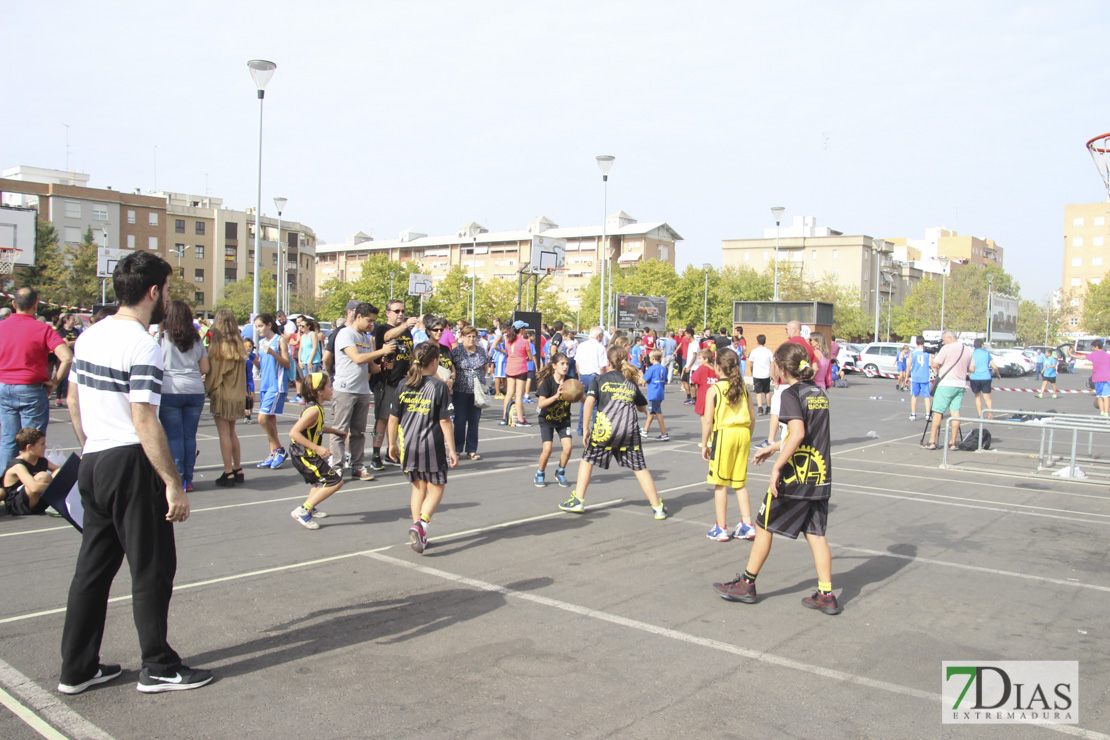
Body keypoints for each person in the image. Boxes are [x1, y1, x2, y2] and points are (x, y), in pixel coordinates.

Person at [59, 250, 212, 695]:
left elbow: (73, 400)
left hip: (95, 459)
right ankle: (159, 665)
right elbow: (144, 417)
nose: (168, 297)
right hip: (129, 460)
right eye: (167, 289)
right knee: (152, 567)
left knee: (92, 569)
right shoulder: (143, 344)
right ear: (153, 291)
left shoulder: (90, 335)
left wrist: (89, 446)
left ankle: (77, 668)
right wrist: (171, 482)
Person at [712, 341, 841, 615]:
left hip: (796, 475)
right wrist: (773, 447)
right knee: (816, 534)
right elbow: (806, 435)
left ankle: (747, 584)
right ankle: (826, 594)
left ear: (781, 368)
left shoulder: (791, 394)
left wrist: (777, 466)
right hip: (819, 475)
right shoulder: (818, 392)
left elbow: (796, 434)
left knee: (763, 526)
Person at [558, 345, 667, 519]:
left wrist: (585, 428)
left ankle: (578, 499)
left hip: (605, 430)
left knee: (587, 460)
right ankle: (658, 507)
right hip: (628, 431)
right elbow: (641, 407)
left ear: (607, 361)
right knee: (640, 468)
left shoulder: (599, 380)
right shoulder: (630, 382)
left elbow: (588, 403)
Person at [387, 342, 457, 554]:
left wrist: (391, 443)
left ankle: (418, 533)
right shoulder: (438, 387)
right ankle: (421, 524)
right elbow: (445, 422)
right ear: (434, 362)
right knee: (436, 487)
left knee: (418, 487)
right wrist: (452, 450)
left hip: (408, 445)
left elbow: (392, 418)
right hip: (430, 446)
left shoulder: (403, 384)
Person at [0, 287, 73, 471]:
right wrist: (55, 382)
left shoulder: (2, 326)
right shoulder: (43, 329)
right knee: (32, 441)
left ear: (13, 304)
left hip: (4, 385)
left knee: (9, 439)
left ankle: (5, 485)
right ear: (35, 305)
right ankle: (30, 485)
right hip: (31, 389)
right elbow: (66, 357)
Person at [701, 348, 755, 541]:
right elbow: (752, 416)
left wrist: (704, 443)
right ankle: (747, 524)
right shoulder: (743, 389)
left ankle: (721, 527)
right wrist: (748, 435)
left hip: (724, 434)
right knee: (739, 481)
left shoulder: (714, 390)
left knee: (720, 482)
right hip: (743, 433)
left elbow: (708, 421)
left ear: (717, 367)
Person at [333, 303, 390, 481]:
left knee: (358, 432)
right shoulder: (345, 334)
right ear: (358, 317)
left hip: (362, 390)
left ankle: (357, 466)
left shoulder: (366, 338)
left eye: (373, 321)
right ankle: (336, 467)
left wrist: (384, 366)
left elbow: (370, 366)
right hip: (345, 389)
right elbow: (357, 358)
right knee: (340, 431)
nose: (371, 324)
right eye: (369, 320)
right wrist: (381, 351)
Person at [157, 301, 209, 493]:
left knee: (174, 437)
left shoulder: (162, 338)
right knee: (189, 437)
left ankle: (177, 478)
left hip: (170, 389)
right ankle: (189, 478)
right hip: (194, 389)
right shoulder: (196, 339)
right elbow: (205, 368)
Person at [289, 372, 347, 529]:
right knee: (336, 481)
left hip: (306, 453)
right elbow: (294, 432)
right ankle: (303, 510)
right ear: (319, 391)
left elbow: (317, 427)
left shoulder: (317, 408)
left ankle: (310, 508)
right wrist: (317, 448)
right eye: (329, 386)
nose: (332, 389)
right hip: (304, 455)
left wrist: (335, 431)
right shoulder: (313, 411)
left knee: (318, 481)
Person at [371, 299, 416, 470]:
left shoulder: (407, 333)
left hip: (402, 381)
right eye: (397, 311)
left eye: (403, 311)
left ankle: (392, 452)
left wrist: (412, 371)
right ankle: (376, 453)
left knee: (397, 419)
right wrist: (405, 325)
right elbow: (387, 337)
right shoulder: (383, 328)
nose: (401, 314)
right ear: (388, 313)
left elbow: (410, 354)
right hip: (386, 381)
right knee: (383, 418)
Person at [205, 309, 248, 487]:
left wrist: (207, 388)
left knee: (223, 434)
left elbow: (214, 376)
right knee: (232, 433)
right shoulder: (239, 346)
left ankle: (228, 472)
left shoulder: (217, 348)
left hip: (223, 394)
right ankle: (238, 469)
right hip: (237, 394)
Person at [254, 314, 291, 468]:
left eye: (260, 326)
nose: (258, 330)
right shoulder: (262, 342)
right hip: (265, 384)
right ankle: (273, 453)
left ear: (269, 324)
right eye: (256, 327)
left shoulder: (279, 340)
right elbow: (262, 365)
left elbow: (286, 363)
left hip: (276, 385)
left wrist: (273, 353)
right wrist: (250, 357)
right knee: (270, 421)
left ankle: (279, 449)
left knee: (261, 419)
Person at [926, 331, 972, 450]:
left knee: (937, 412)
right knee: (955, 412)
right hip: (960, 384)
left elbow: (935, 364)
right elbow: (972, 368)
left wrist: (933, 359)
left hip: (946, 384)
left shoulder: (946, 349)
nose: (943, 342)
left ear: (950, 338)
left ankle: (932, 441)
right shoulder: (967, 350)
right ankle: (953, 443)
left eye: (944, 339)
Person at [534, 352, 574, 487]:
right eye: (562, 364)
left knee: (568, 448)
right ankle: (540, 473)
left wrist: (582, 394)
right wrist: (556, 396)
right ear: (554, 366)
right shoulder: (547, 383)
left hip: (563, 419)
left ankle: (560, 472)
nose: (565, 366)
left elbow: (583, 399)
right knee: (548, 449)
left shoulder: (570, 381)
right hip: (547, 420)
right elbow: (541, 404)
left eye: (567, 364)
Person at [450, 326, 488, 461]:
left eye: (474, 336)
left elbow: (485, 368)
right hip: (460, 390)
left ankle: (472, 449)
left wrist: (479, 383)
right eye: (469, 336)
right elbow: (452, 369)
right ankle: (457, 448)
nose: (472, 339)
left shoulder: (481, 351)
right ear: (462, 337)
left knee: (474, 420)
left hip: (477, 392)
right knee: (460, 420)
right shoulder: (456, 352)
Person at [1, 427, 57, 516]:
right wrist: (59, 487)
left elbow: (58, 469)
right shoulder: (18, 465)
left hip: (34, 500)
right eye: (42, 444)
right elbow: (34, 487)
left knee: (55, 473)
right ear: (30, 447)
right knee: (42, 476)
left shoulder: (40, 460)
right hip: (18, 505)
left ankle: (55, 502)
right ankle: (56, 501)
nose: (45, 447)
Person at [500, 321, 535, 427]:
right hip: (521, 368)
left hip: (510, 368)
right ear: (521, 330)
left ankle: (504, 418)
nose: (525, 331)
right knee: (519, 395)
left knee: (509, 393)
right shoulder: (525, 342)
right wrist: (524, 357)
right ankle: (520, 419)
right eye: (524, 329)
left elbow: (508, 353)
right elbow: (530, 357)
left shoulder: (509, 341)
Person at [323, 300, 362, 375]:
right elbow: (326, 358)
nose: (361, 314)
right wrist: (332, 374)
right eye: (358, 311)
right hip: (342, 379)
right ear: (349, 312)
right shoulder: (339, 332)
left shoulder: (361, 333)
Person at [54, 313, 82, 407]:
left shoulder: (76, 331)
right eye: (72, 319)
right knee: (61, 377)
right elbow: (66, 344)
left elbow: (78, 341)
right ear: (66, 320)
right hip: (63, 357)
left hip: (75, 356)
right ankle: (58, 398)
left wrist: (74, 342)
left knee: (73, 377)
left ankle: (71, 397)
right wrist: (76, 342)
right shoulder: (61, 331)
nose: (74, 321)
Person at [641, 349, 669, 440]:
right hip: (660, 392)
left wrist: (640, 374)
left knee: (657, 412)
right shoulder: (662, 368)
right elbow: (665, 381)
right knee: (651, 412)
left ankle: (664, 433)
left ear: (652, 358)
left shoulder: (651, 368)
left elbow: (643, 380)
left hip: (654, 393)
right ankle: (645, 430)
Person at [968, 339, 999, 419]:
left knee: (977, 397)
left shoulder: (972, 354)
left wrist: (970, 376)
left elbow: (969, 368)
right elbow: (994, 366)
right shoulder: (986, 353)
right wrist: (998, 374)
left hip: (975, 378)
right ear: (982, 345)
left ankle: (980, 414)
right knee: (987, 397)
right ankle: (990, 414)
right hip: (985, 377)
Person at [908, 336, 932, 422]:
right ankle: (928, 414)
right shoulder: (927, 352)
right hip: (925, 376)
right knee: (926, 396)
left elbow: (909, 364)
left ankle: (913, 414)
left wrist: (907, 376)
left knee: (914, 396)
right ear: (924, 342)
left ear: (916, 343)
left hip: (915, 377)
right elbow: (932, 363)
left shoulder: (913, 352)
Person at [749, 334, 774, 415]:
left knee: (758, 392)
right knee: (767, 391)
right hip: (766, 374)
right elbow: (772, 363)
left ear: (757, 341)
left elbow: (751, 363)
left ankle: (760, 407)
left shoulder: (754, 351)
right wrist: (772, 373)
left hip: (757, 374)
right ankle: (768, 406)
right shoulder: (768, 351)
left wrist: (751, 371)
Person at [690, 347, 719, 418]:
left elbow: (693, 379)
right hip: (716, 399)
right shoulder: (716, 369)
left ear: (706, 359)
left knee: (705, 424)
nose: (698, 361)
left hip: (704, 399)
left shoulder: (702, 369)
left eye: (700, 358)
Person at [1089, 339, 1110, 417]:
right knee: (1106, 396)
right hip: (1107, 378)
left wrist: (1071, 354)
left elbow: (1082, 357)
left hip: (1098, 378)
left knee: (1100, 396)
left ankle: (1102, 412)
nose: (1092, 349)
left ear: (1097, 347)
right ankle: (1106, 413)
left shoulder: (1094, 354)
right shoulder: (1107, 355)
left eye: (1093, 347)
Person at [682, 328, 700, 404]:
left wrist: (689, 366)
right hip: (688, 365)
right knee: (684, 380)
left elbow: (694, 356)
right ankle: (688, 396)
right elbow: (689, 357)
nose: (685, 336)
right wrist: (685, 366)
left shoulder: (695, 343)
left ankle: (694, 399)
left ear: (690, 334)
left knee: (692, 383)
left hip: (693, 367)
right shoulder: (690, 344)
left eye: (686, 334)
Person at [243, 338, 256, 422]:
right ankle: (246, 415)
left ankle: (249, 414)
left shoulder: (252, 356)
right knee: (245, 397)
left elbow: (257, 362)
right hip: (243, 380)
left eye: (250, 346)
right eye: (246, 346)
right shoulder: (241, 356)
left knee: (251, 397)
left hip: (250, 379)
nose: (248, 348)